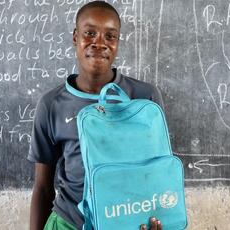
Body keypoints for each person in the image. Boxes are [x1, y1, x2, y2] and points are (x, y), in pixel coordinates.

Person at [28, 1, 164, 230]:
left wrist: (158, 218)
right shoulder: (52, 104)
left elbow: (157, 172)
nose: (99, 43)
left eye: (110, 36)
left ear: (118, 43)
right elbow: (42, 188)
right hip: (69, 223)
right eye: (90, 33)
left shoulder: (145, 98)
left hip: (129, 222)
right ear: (75, 37)